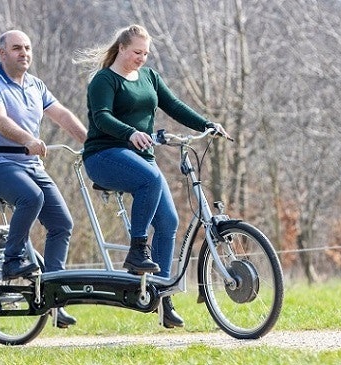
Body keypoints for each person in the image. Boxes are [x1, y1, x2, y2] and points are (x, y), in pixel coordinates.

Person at [79, 24, 230, 328]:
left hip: (141, 160)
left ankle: (162, 299)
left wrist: (206, 125)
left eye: (146, 53)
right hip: (104, 155)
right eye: (137, 52)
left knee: (168, 222)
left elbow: (173, 105)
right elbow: (102, 118)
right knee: (149, 178)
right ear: (121, 48)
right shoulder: (104, 80)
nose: (142, 58)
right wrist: (131, 132)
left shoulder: (149, 77)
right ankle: (137, 251)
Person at [0, 30, 87, 327]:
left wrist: (89, 140)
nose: (24, 53)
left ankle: (54, 296)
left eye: (27, 48)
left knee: (62, 224)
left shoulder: (36, 85)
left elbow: (61, 114)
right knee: (31, 196)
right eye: (16, 48)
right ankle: (12, 261)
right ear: (2, 54)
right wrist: (28, 140)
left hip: (31, 165)